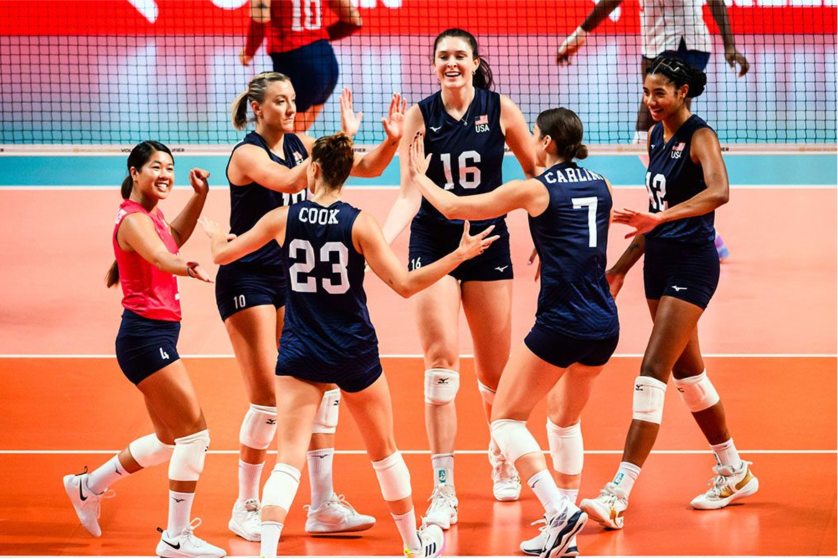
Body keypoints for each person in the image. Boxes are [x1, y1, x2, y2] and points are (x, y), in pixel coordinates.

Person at [201, 132, 501, 558]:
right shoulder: (360, 223)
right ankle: (414, 545)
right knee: (384, 452)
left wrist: (216, 236)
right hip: (353, 352)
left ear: (315, 170)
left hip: (301, 351)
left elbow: (223, 257)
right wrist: (458, 256)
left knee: (287, 457)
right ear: (346, 176)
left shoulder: (282, 220)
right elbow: (405, 284)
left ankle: (267, 552)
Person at [407, 106, 617, 558]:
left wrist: (418, 176)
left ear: (545, 143)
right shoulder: (603, 184)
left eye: (534, 134)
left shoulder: (532, 189)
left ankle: (558, 510)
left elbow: (454, 207)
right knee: (564, 420)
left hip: (563, 321)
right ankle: (566, 532)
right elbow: (578, 237)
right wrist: (549, 246)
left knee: (504, 418)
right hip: (605, 322)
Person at [221, 71, 405, 542]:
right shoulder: (247, 154)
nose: (289, 109)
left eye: (293, 101)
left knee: (318, 389)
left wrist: (387, 143)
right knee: (267, 399)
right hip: (247, 277)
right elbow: (286, 182)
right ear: (257, 109)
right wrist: (340, 142)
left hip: (291, 280)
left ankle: (322, 505)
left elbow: (365, 170)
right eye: (279, 102)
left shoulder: (301, 145)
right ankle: (245, 504)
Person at [579, 56, 758, 531]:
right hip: (656, 264)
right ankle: (734, 470)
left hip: (691, 266)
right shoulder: (657, 136)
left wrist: (661, 219)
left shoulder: (701, 136)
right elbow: (653, 217)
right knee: (689, 374)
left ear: (682, 92)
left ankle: (618, 491)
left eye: (659, 92)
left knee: (651, 369)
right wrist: (619, 268)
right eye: (647, 91)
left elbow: (719, 191)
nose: (650, 101)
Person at [379, 27, 539, 526]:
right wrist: (379, 244)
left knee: (494, 374)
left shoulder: (500, 109)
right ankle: (443, 489)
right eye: (443, 56)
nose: (451, 63)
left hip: (488, 241)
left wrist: (549, 235)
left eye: (460, 56)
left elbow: (538, 175)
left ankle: (500, 455)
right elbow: (409, 193)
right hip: (432, 242)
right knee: (441, 365)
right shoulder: (418, 116)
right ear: (434, 64)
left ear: (474, 62)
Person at [62, 141, 225, 558]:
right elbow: (159, 254)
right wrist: (184, 267)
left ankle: (88, 486)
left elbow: (170, 238)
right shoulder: (132, 220)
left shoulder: (147, 214)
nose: (166, 173)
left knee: (169, 441)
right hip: (144, 340)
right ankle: (175, 538)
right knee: (196, 435)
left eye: (170, 167)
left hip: (155, 337)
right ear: (135, 172)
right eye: (156, 167)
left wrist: (200, 196)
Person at [556, 0, 747, 261]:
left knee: (666, 135)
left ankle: (692, 221)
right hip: (655, 44)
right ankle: (690, 214)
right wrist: (579, 36)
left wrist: (730, 46)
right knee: (651, 141)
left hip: (684, 46)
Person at [240, 0, 362, 131]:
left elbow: (260, 20)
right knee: (299, 137)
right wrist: (316, 37)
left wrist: (249, 52)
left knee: (288, 140)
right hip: (327, 61)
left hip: (298, 65)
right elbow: (355, 21)